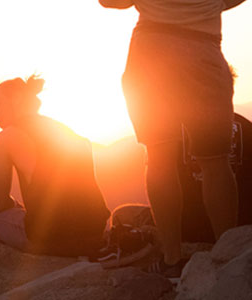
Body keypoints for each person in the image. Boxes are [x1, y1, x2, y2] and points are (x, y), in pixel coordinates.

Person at [99, 0, 244, 276]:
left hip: (151, 50)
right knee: (215, 161)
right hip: (202, 48)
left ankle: (171, 261)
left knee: (159, 157)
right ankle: (229, 259)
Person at [0, 76, 111, 257]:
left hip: (53, 240)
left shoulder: (7, 137)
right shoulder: (67, 131)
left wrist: (14, 205)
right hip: (97, 234)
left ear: (15, 100)